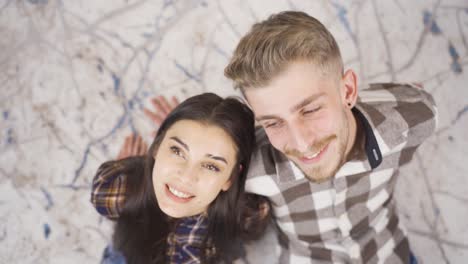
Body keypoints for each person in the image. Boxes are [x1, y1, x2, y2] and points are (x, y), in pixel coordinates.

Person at [93, 11, 437, 263]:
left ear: (348, 90)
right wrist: (181, 133)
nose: (301, 144)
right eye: (273, 122)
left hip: (390, 254)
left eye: (310, 110)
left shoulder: (409, 120)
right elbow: (199, 173)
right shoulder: (253, 166)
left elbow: (411, 98)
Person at [91, 93, 270, 263]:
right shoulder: (113, 190)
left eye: (211, 166)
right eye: (177, 150)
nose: (186, 177)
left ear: (229, 178)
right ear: (156, 147)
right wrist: (130, 172)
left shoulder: (247, 214)